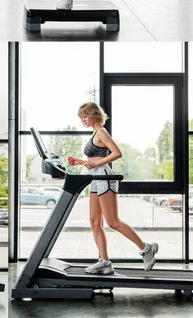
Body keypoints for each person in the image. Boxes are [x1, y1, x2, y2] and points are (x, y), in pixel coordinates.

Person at [67, 101, 158, 275]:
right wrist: (79, 161)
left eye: (85, 116)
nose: (83, 120)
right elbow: (94, 160)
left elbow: (117, 152)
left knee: (112, 221)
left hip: (105, 178)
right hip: (96, 177)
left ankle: (146, 249)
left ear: (94, 114)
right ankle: (104, 262)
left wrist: (95, 163)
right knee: (94, 222)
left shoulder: (101, 131)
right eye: (81, 118)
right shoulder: (95, 133)